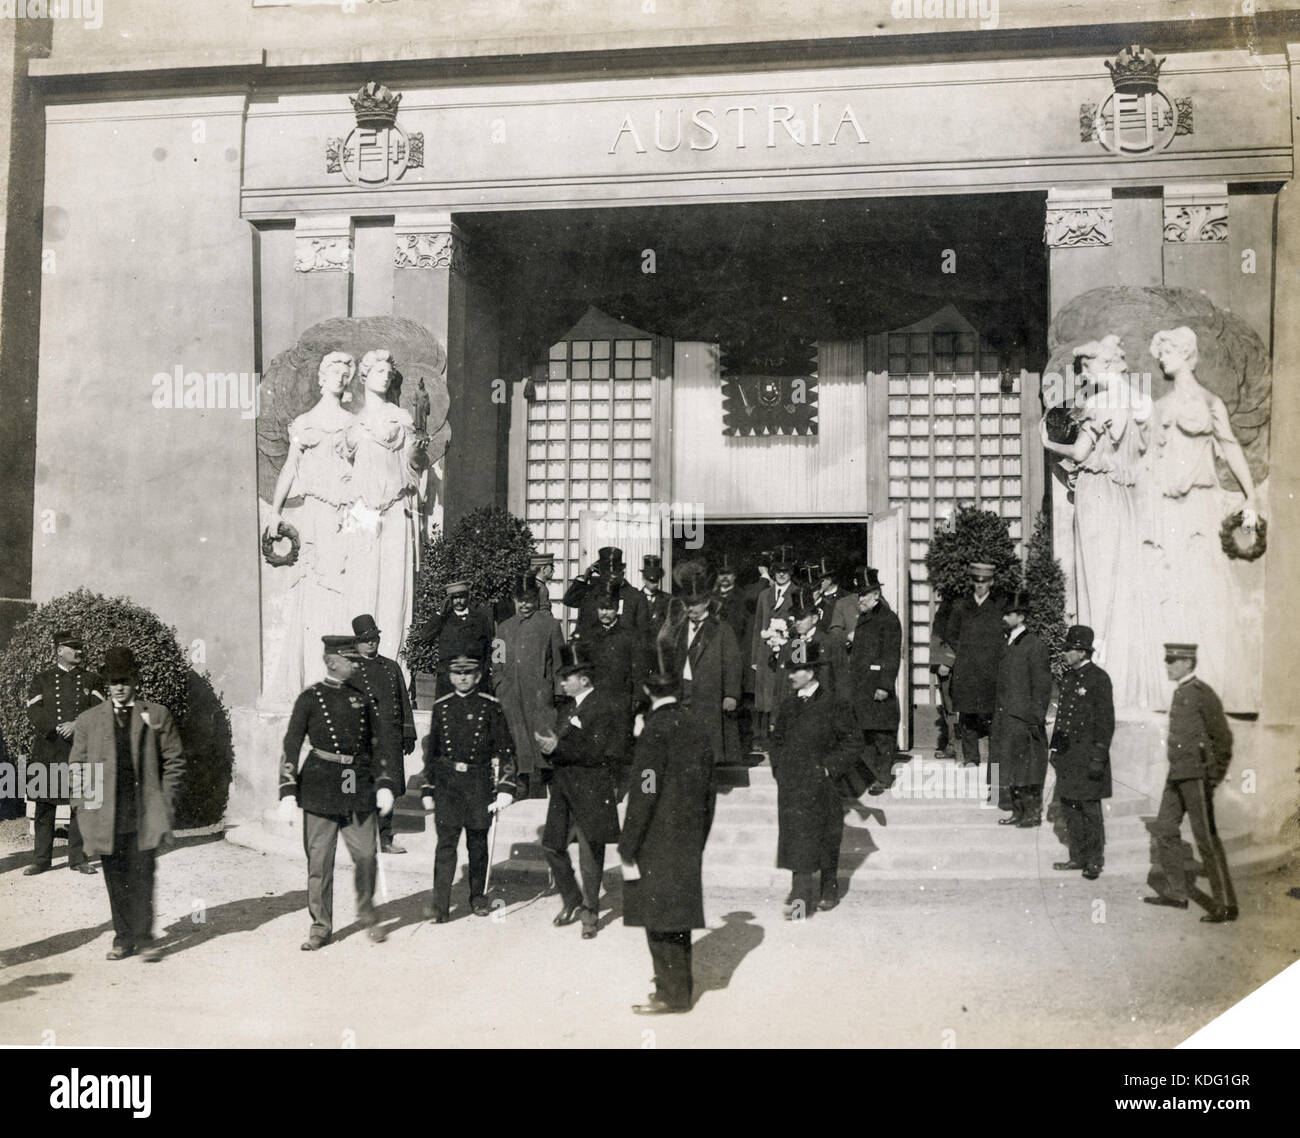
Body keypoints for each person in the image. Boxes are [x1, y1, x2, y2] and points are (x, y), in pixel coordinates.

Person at [1040, 335, 1159, 711]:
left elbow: (1078, 452)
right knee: (1117, 579)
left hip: (1097, 494)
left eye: (1085, 370)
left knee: (1096, 578)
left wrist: (1047, 442)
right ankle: (1119, 670)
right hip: (1121, 496)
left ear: (1100, 367)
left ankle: (1103, 667)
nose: (1082, 377)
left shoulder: (1100, 404)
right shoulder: (1137, 401)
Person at [1149, 327, 1261, 712]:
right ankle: (1176, 690)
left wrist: (1251, 496)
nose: (1161, 359)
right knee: (1173, 595)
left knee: (1208, 593)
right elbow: (1150, 464)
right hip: (1169, 511)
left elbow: (1229, 447)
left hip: (1199, 506)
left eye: (1166, 351)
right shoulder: (1160, 408)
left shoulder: (1209, 402)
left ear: (1184, 353)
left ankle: (1214, 686)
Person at [279, 635, 398, 951]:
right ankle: (320, 926)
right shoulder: (310, 698)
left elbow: (379, 744)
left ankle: (366, 911)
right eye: (350, 659)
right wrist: (287, 790)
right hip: (320, 783)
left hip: (355, 781)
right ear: (332, 661)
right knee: (319, 862)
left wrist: (385, 782)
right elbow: (291, 743)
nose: (357, 663)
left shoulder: (363, 699)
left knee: (366, 855)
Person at [69, 646, 184, 962]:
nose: (119, 687)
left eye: (125, 680)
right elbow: (77, 767)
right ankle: (123, 938)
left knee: (143, 874)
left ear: (136, 681)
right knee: (115, 876)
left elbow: (174, 761)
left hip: (143, 813)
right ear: (106, 683)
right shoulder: (88, 720)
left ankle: (145, 937)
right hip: (106, 814)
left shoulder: (156, 715)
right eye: (113, 681)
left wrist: (166, 802)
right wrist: (82, 807)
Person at [264, 351, 358, 697]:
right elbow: (290, 467)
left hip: (344, 514)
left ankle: (339, 678)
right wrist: (275, 512)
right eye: (335, 370)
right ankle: (311, 678)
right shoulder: (304, 423)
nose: (341, 377)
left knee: (342, 587)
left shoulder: (352, 423)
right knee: (315, 588)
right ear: (321, 377)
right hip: (316, 511)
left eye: (346, 372)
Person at [620, 672, 715, 1015]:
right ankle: (678, 989)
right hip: (687, 835)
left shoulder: (654, 730)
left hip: (656, 837)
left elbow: (645, 790)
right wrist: (699, 835)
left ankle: (670, 995)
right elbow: (709, 789)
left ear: (647, 691)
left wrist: (628, 843)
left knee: (658, 916)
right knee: (678, 917)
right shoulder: (697, 726)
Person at [419, 655, 519, 921]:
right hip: (448, 784)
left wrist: (506, 787)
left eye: (469, 673)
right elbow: (433, 752)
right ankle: (440, 905)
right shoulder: (441, 707)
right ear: (450, 677)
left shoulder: (490, 706)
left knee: (477, 843)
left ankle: (478, 897)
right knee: (446, 845)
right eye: (457, 673)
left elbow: (506, 748)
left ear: (477, 676)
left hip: (478, 783)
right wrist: (428, 788)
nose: (463, 678)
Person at [1144, 643, 1238, 922]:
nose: (1168, 665)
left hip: (1196, 776)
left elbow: (1223, 738)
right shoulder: (1181, 692)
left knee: (1205, 838)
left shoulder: (1202, 693)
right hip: (1177, 775)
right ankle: (1176, 893)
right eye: (1167, 660)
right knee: (1164, 828)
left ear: (1187, 662)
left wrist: (1213, 775)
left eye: (1172, 660)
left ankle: (1225, 904)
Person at [345, 348, 427, 666]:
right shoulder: (354, 425)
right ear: (365, 376)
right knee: (361, 578)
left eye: (388, 374)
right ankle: (358, 659)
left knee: (395, 581)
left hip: (395, 505)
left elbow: (414, 465)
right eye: (378, 371)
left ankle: (394, 661)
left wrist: (419, 452)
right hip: (363, 509)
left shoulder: (402, 417)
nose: (385, 377)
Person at [534, 644, 622, 940]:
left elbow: (599, 751)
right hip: (563, 789)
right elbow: (564, 746)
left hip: (591, 790)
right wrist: (550, 746)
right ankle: (572, 899)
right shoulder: (567, 708)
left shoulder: (602, 706)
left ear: (583, 679)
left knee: (589, 855)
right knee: (551, 845)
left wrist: (559, 746)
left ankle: (590, 913)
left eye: (566, 678)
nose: (561, 683)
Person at [770, 640, 861, 918]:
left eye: (795, 670)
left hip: (823, 785)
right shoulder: (788, 705)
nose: (790, 675)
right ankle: (800, 900)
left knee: (825, 839)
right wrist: (780, 770)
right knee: (796, 842)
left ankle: (828, 889)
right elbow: (776, 742)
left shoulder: (834, 703)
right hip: (793, 785)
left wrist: (829, 769)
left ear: (810, 672)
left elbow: (853, 742)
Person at [24, 629, 104, 876]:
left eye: (80, 647)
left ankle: (78, 859)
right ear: (60, 651)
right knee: (44, 806)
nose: (79, 652)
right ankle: (41, 860)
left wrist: (76, 725)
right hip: (49, 750)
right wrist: (55, 727)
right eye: (73, 647)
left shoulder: (92, 680)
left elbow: (100, 711)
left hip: (80, 750)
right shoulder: (42, 679)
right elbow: (33, 710)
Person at [661, 560, 743, 773]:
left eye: (695, 604)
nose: (690, 609)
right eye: (687, 604)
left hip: (709, 696)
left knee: (707, 746)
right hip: (683, 692)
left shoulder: (721, 629)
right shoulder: (678, 629)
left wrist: (731, 694)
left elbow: (733, 663)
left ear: (706, 602)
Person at [1049, 625, 1114, 880]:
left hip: (1088, 757)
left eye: (1069, 649)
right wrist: (1055, 748)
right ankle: (1077, 857)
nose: (1065, 653)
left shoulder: (1099, 679)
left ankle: (1094, 860)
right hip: (1068, 757)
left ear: (1082, 651)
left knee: (1089, 809)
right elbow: (1062, 718)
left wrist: (1099, 757)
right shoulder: (1068, 678)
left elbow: (1105, 722)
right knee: (1070, 808)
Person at [349, 613, 417, 854]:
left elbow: (404, 701)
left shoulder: (391, 667)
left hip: (389, 737)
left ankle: (385, 837)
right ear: (357, 642)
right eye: (366, 639)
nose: (371, 643)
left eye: (374, 638)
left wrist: (408, 733)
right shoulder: (350, 670)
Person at [573, 578, 649, 789]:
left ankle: (614, 789)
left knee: (616, 749)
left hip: (620, 701)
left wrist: (637, 700)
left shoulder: (629, 636)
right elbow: (580, 670)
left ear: (618, 609)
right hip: (594, 702)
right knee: (594, 747)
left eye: (610, 609)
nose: (605, 613)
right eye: (602, 609)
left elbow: (639, 671)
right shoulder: (588, 636)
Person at [492, 572, 564, 794]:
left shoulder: (550, 625)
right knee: (516, 749)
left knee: (541, 754)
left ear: (536, 599)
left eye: (529, 599)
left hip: (540, 701)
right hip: (511, 699)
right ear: (514, 599)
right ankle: (517, 797)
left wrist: (556, 694)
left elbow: (561, 664)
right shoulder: (503, 629)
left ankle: (539, 799)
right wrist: (500, 687)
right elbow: (496, 664)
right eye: (520, 599)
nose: (525, 604)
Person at [990, 591, 1053, 827]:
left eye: (1009, 614)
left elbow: (1042, 685)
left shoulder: (1034, 645)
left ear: (1022, 616)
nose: (1004, 617)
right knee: (1010, 766)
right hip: (1006, 717)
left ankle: (1032, 814)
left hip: (1024, 719)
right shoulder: (1007, 643)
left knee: (1029, 768)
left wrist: (1036, 717)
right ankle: (1018, 812)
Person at [944, 561, 1008, 771]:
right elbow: (951, 634)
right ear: (972, 582)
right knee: (968, 714)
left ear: (991, 582)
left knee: (992, 715)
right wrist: (965, 651)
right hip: (967, 669)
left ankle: (995, 760)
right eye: (977, 581)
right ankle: (971, 758)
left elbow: (1005, 636)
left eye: (985, 581)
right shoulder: (961, 606)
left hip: (991, 670)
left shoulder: (999, 606)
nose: (980, 585)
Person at [848, 568, 902, 796]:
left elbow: (891, 655)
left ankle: (883, 777)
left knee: (882, 735)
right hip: (862, 686)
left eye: (864, 595)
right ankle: (869, 776)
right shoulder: (864, 618)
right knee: (865, 733)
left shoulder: (888, 620)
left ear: (876, 595)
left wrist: (884, 685)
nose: (859, 599)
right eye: (859, 595)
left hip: (877, 686)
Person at [750, 544, 798, 750]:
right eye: (778, 570)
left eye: (785, 570)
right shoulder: (764, 595)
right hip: (765, 653)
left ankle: (781, 736)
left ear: (791, 572)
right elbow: (758, 626)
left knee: (782, 694)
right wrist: (754, 658)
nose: (781, 574)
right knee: (764, 696)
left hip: (787, 653)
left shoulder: (797, 593)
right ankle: (761, 738)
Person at [421, 580, 495, 698]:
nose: (458, 601)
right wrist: (440, 613)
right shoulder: (443, 618)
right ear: (450, 600)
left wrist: (485, 670)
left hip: (474, 677)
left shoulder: (480, 618)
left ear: (468, 597)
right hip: (448, 678)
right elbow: (425, 636)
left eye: (462, 597)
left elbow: (488, 645)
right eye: (455, 598)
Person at [562, 546, 648, 641]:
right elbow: (569, 600)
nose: (610, 579)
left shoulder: (633, 595)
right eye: (606, 575)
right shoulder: (591, 592)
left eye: (614, 574)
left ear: (621, 573)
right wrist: (586, 576)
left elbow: (641, 634)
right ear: (600, 574)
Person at [929, 591, 958, 760]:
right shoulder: (948, 601)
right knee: (948, 706)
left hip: (946, 664)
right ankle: (951, 743)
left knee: (952, 706)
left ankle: (954, 745)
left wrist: (948, 661)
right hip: (940, 662)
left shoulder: (955, 604)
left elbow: (955, 635)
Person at [639, 554, 672, 646]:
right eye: (651, 580)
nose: (655, 584)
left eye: (657, 580)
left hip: (660, 648)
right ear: (644, 579)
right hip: (641, 649)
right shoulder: (636, 598)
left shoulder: (667, 599)